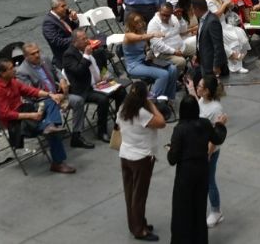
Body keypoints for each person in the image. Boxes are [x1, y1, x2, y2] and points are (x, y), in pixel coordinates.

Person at [168, 95, 228, 244]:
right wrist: (220, 125)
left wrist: (170, 149)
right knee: (199, 209)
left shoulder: (180, 129)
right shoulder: (205, 124)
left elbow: (172, 159)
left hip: (185, 174)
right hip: (202, 171)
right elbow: (218, 138)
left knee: (182, 210)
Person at [16, 41, 92, 149]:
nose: (37, 55)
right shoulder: (22, 72)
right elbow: (31, 93)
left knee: (78, 101)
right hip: (42, 102)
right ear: (26, 56)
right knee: (51, 105)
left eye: (38, 51)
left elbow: (55, 71)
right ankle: (55, 140)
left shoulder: (44, 59)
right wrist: (51, 95)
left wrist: (62, 79)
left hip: (58, 96)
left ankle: (76, 136)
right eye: (33, 54)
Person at [118, 81, 166, 242]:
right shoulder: (142, 113)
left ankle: (136, 223)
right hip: (141, 158)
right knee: (139, 196)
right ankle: (139, 230)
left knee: (130, 193)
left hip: (125, 155)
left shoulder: (123, 109)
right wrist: (150, 104)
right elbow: (161, 122)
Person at [62, 28, 121, 144]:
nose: (87, 41)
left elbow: (102, 63)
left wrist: (104, 74)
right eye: (83, 39)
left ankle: (119, 122)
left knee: (120, 90)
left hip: (98, 83)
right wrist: (86, 56)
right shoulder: (69, 55)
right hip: (83, 89)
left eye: (86, 37)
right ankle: (102, 131)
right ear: (75, 42)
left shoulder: (91, 49)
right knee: (103, 99)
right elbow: (78, 71)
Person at [123, 12, 177, 101]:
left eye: (140, 21)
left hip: (145, 60)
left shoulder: (142, 32)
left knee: (172, 69)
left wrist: (149, 52)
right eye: (137, 23)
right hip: (134, 65)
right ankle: (152, 102)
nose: (140, 24)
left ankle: (168, 98)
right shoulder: (128, 36)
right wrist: (153, 34)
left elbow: (146, 47)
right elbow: (139, 38)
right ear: (131, 25)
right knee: (163, 74)